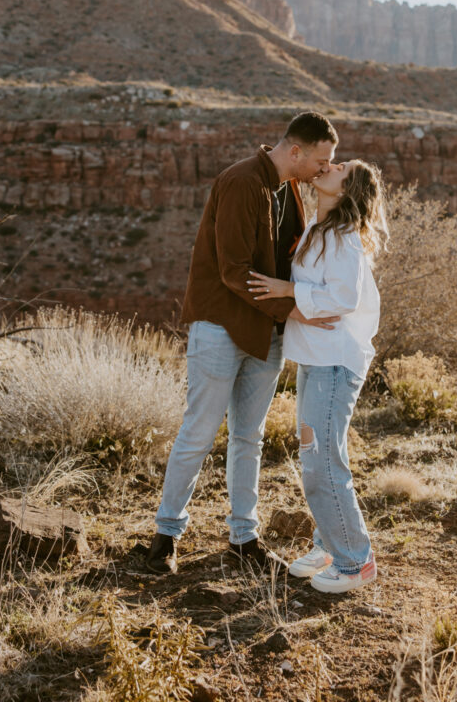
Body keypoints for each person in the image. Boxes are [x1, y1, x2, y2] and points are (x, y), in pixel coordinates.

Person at [146, 112, 341, 575]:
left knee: (248, 437)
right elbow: (234, 271)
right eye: (321, 159)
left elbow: (298, 254)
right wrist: (295, 312)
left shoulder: (290, 187)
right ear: (296, 151)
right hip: (221, 326)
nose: (323, 168)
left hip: (266, 331)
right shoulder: (239, 182)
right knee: (198, 432)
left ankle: (243, 538)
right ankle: (164, 537)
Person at [247, 159, 388, 594]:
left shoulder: (343, 238)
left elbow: (344, 297)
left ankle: (354, 562)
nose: (330, 165)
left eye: (341, 167)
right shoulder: (320, 230)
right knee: (318, 457)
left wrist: (289, 291)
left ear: (347, 190)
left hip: (334, 363)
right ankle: (329, 545)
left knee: (322, 462)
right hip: (316, 360)